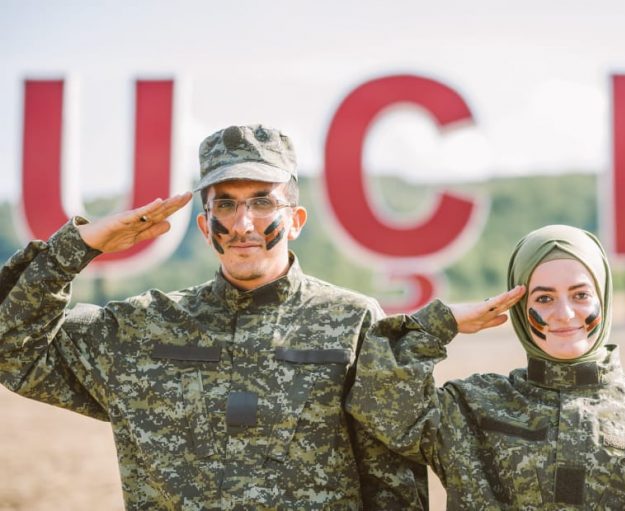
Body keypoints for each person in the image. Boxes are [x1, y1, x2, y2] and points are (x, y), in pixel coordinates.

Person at [0, 124, 427, 509]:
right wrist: (78, 246)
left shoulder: (353, 322)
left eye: (263, 202)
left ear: (295, 220)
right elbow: (12, 349)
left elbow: (393, 480)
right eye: (224, 205)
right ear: (205, 227)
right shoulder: (142, 328)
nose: (242, 225)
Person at [346, 224, 625, 510]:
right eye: (544, 298)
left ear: (604, 297)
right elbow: (376, 401)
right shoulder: (471, 407)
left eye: (580, 294)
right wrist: (443, 321)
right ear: (519, 308)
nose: (565, 314)